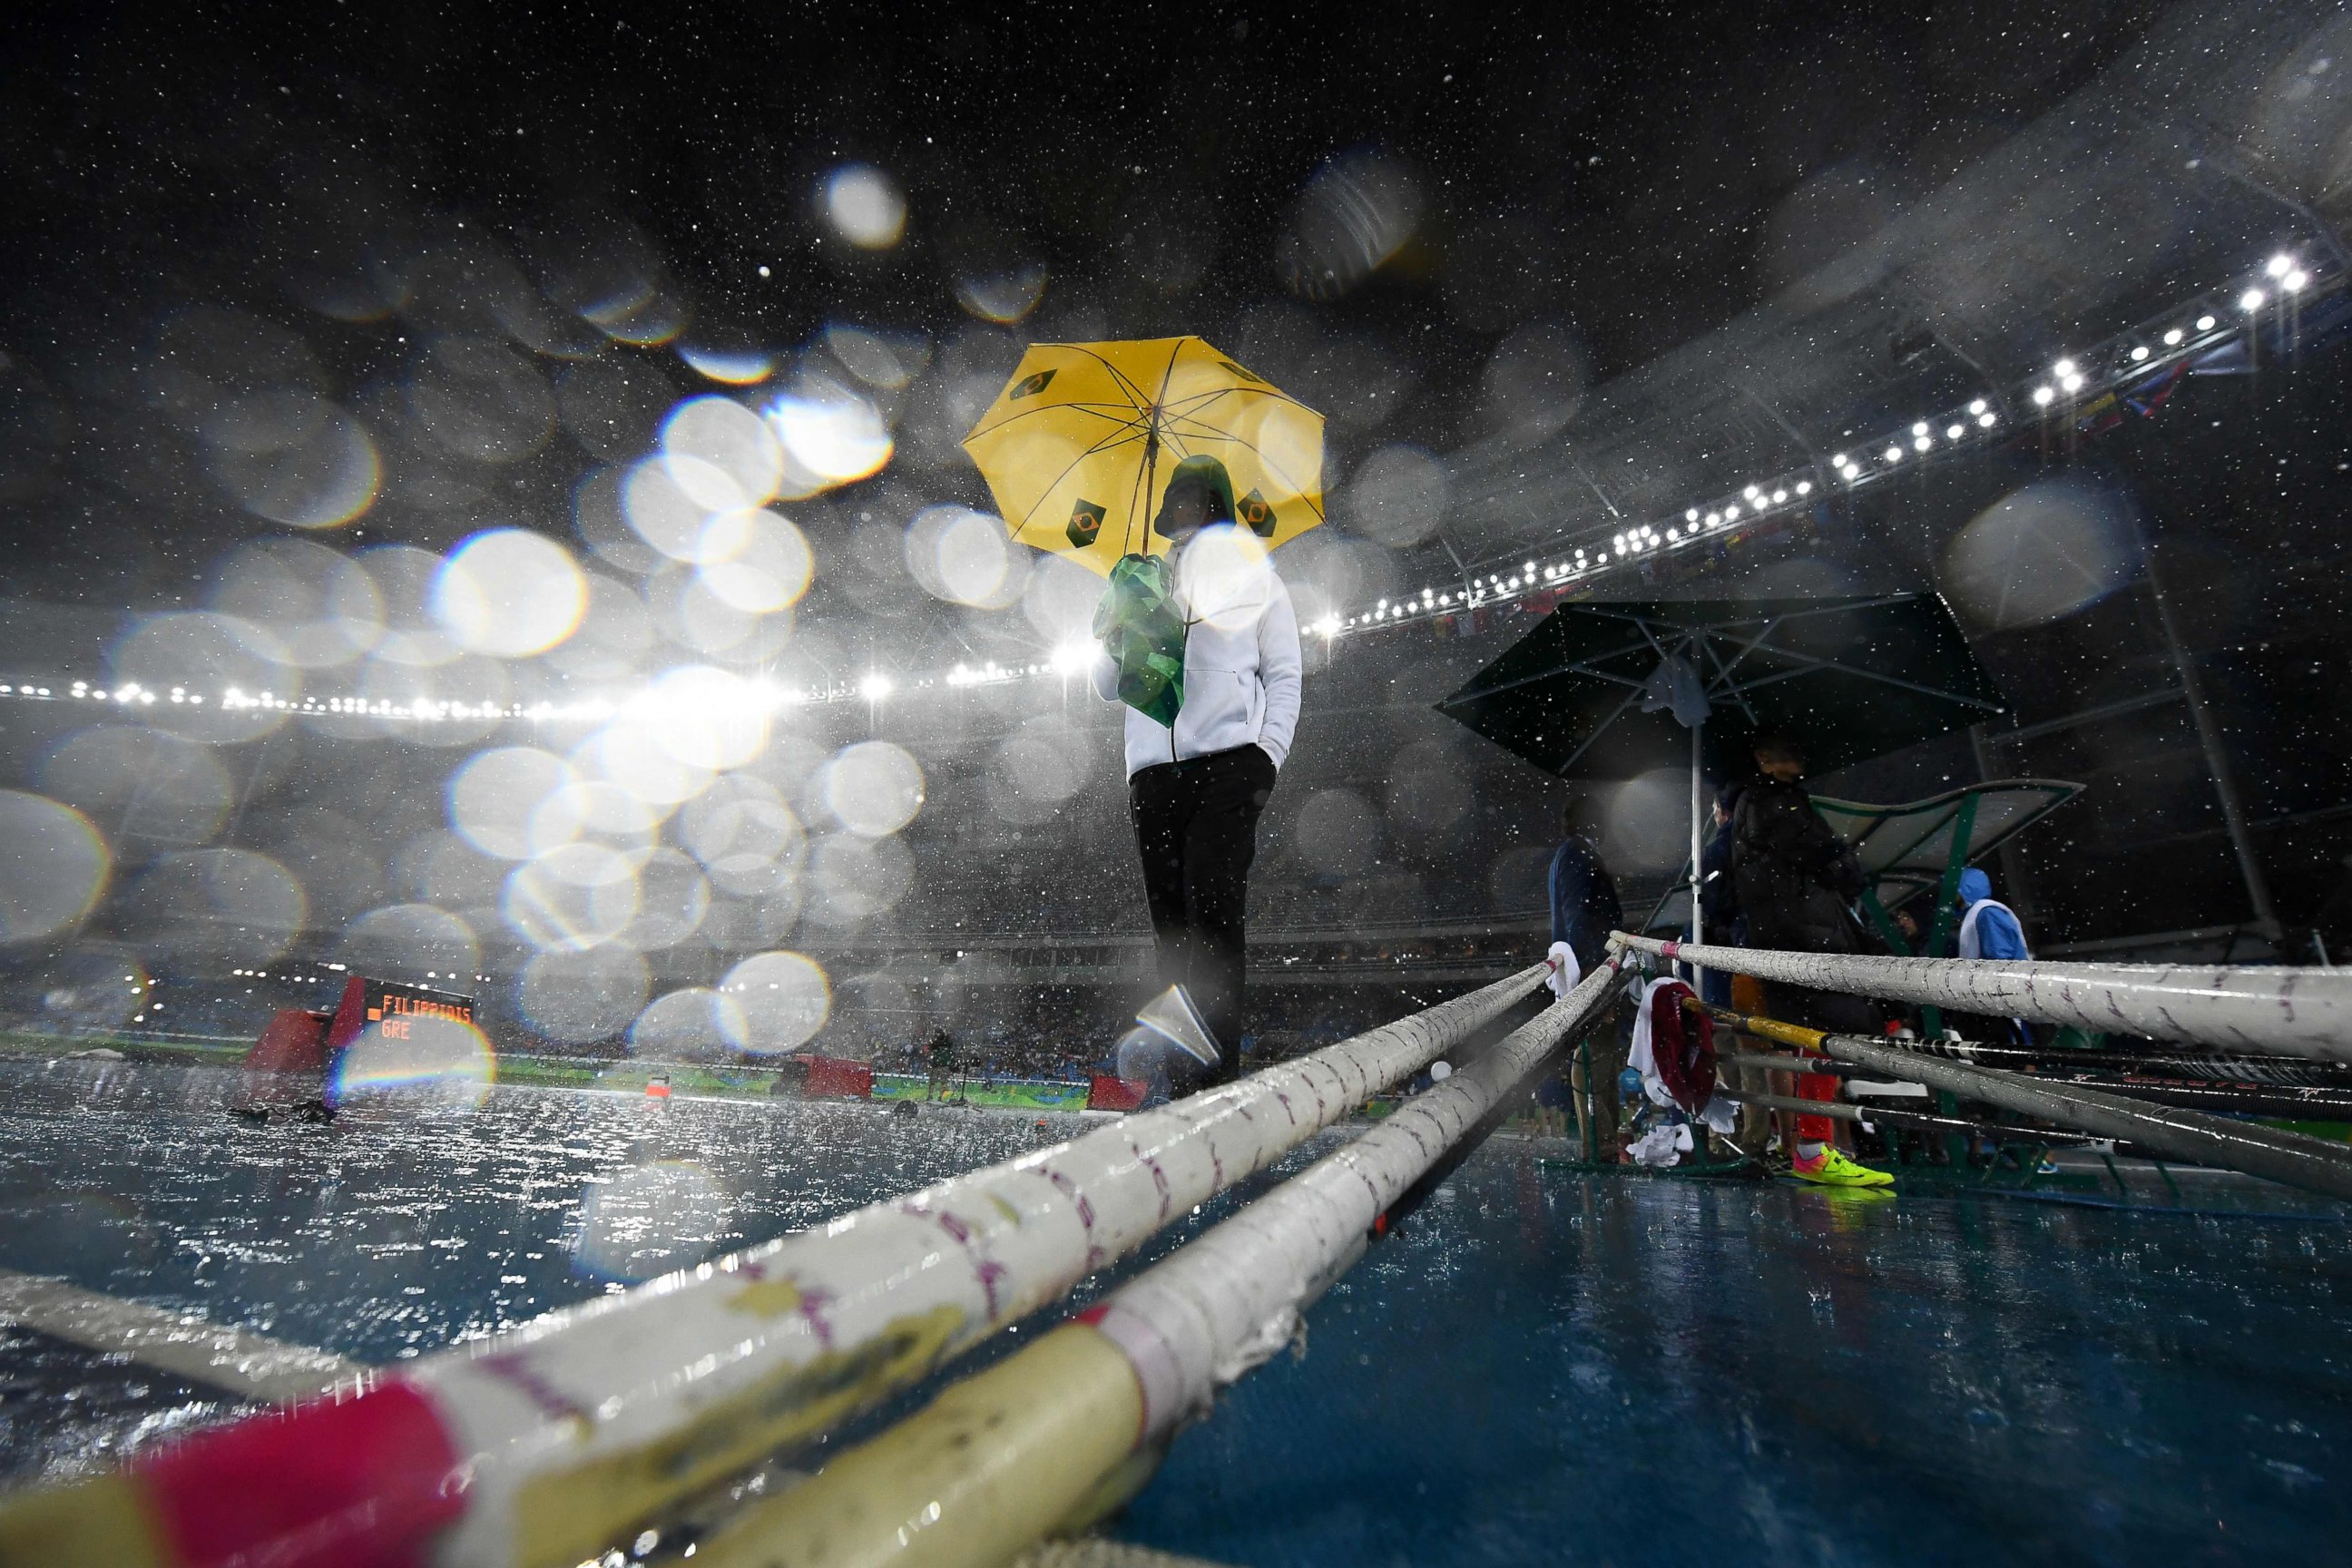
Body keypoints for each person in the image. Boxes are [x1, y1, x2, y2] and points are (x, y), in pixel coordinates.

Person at [1092, 454, 1302, 1091]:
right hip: (1152, 775)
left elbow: (1284, 674)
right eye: (1178, 503)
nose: (1188, 514)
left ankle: (1219, 1078)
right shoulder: (1143, 579)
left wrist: (1267, 753)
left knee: (1213, 914)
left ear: (1220, 508)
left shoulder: (1260, 578)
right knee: (1173, 933)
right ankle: (1183, 1081)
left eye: (1199, 502)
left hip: (1231, 767)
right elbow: (1106, 687)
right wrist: (1116, 623)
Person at [1729, 732, 1892, 1189]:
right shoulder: (1777, 803)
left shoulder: (1759, 807)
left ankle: (1813, 1149)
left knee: (1811, 1041)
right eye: (1789, 749)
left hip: (1792, 934)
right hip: (1809, 936)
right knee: (1821, 1038)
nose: (1800, 756)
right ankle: (1813, 1151)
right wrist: (1849, 871)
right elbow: (1829, 858)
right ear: (1762, 759)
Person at [1546, 810, 1627, 1156]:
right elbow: (1577, 910)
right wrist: (1595, 965)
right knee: (1593, 1050)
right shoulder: (1578, 852)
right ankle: (1598, 1140)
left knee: (1600, 1050)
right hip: (1594, 963)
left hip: (1593, 959)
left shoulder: (1572, 852)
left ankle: (1604, 1138)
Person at [925, 1028, 956, 1102]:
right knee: (938, 1081)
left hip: (940, 1065)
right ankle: (934, 1096)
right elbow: (931, 1047)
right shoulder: (943, 1043)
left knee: (940, 1082)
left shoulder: (943, 1043)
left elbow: (931, 1047)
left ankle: (936, 1096)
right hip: (939, 1065)